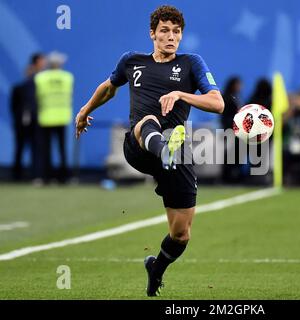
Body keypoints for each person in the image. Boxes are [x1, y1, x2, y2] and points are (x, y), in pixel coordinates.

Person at [75, 5, 224, 297]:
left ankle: (156, 269)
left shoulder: (191, 63)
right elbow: (109, 87)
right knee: (149, 121)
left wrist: (181, 94)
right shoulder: (132, 61)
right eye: (165, 31)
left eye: (176, 32)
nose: (171, 37)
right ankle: (164, 147)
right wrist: (85, 110)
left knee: (181, 234)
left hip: (176, 154)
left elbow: (217, 103)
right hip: (140, 145)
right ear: (152, 33)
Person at [34, 51, 74, 184]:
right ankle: (64, 177)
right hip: (62, 116)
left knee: (46, 150)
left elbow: (38, 96)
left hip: (45, 116)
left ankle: (46, 177)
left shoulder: (40, 77)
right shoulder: (68, 77)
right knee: (62, 149)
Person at [10, 53, 46, 180]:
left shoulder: (40, 85)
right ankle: (16, 175)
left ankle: (36, 174)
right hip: (21, 123)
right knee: (19, 148)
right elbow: (13, 107)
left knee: (36, 148)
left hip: (36, 122)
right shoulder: (18, 88)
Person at [221, 76, 242, 183]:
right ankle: (227, 176)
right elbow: (225, 116)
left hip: (234, 129)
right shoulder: (227, 98)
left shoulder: (235, 97)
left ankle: (233, 175)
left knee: (234, 153)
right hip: (229, 129)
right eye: (238, 84)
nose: (240, 87)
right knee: (230, 153)